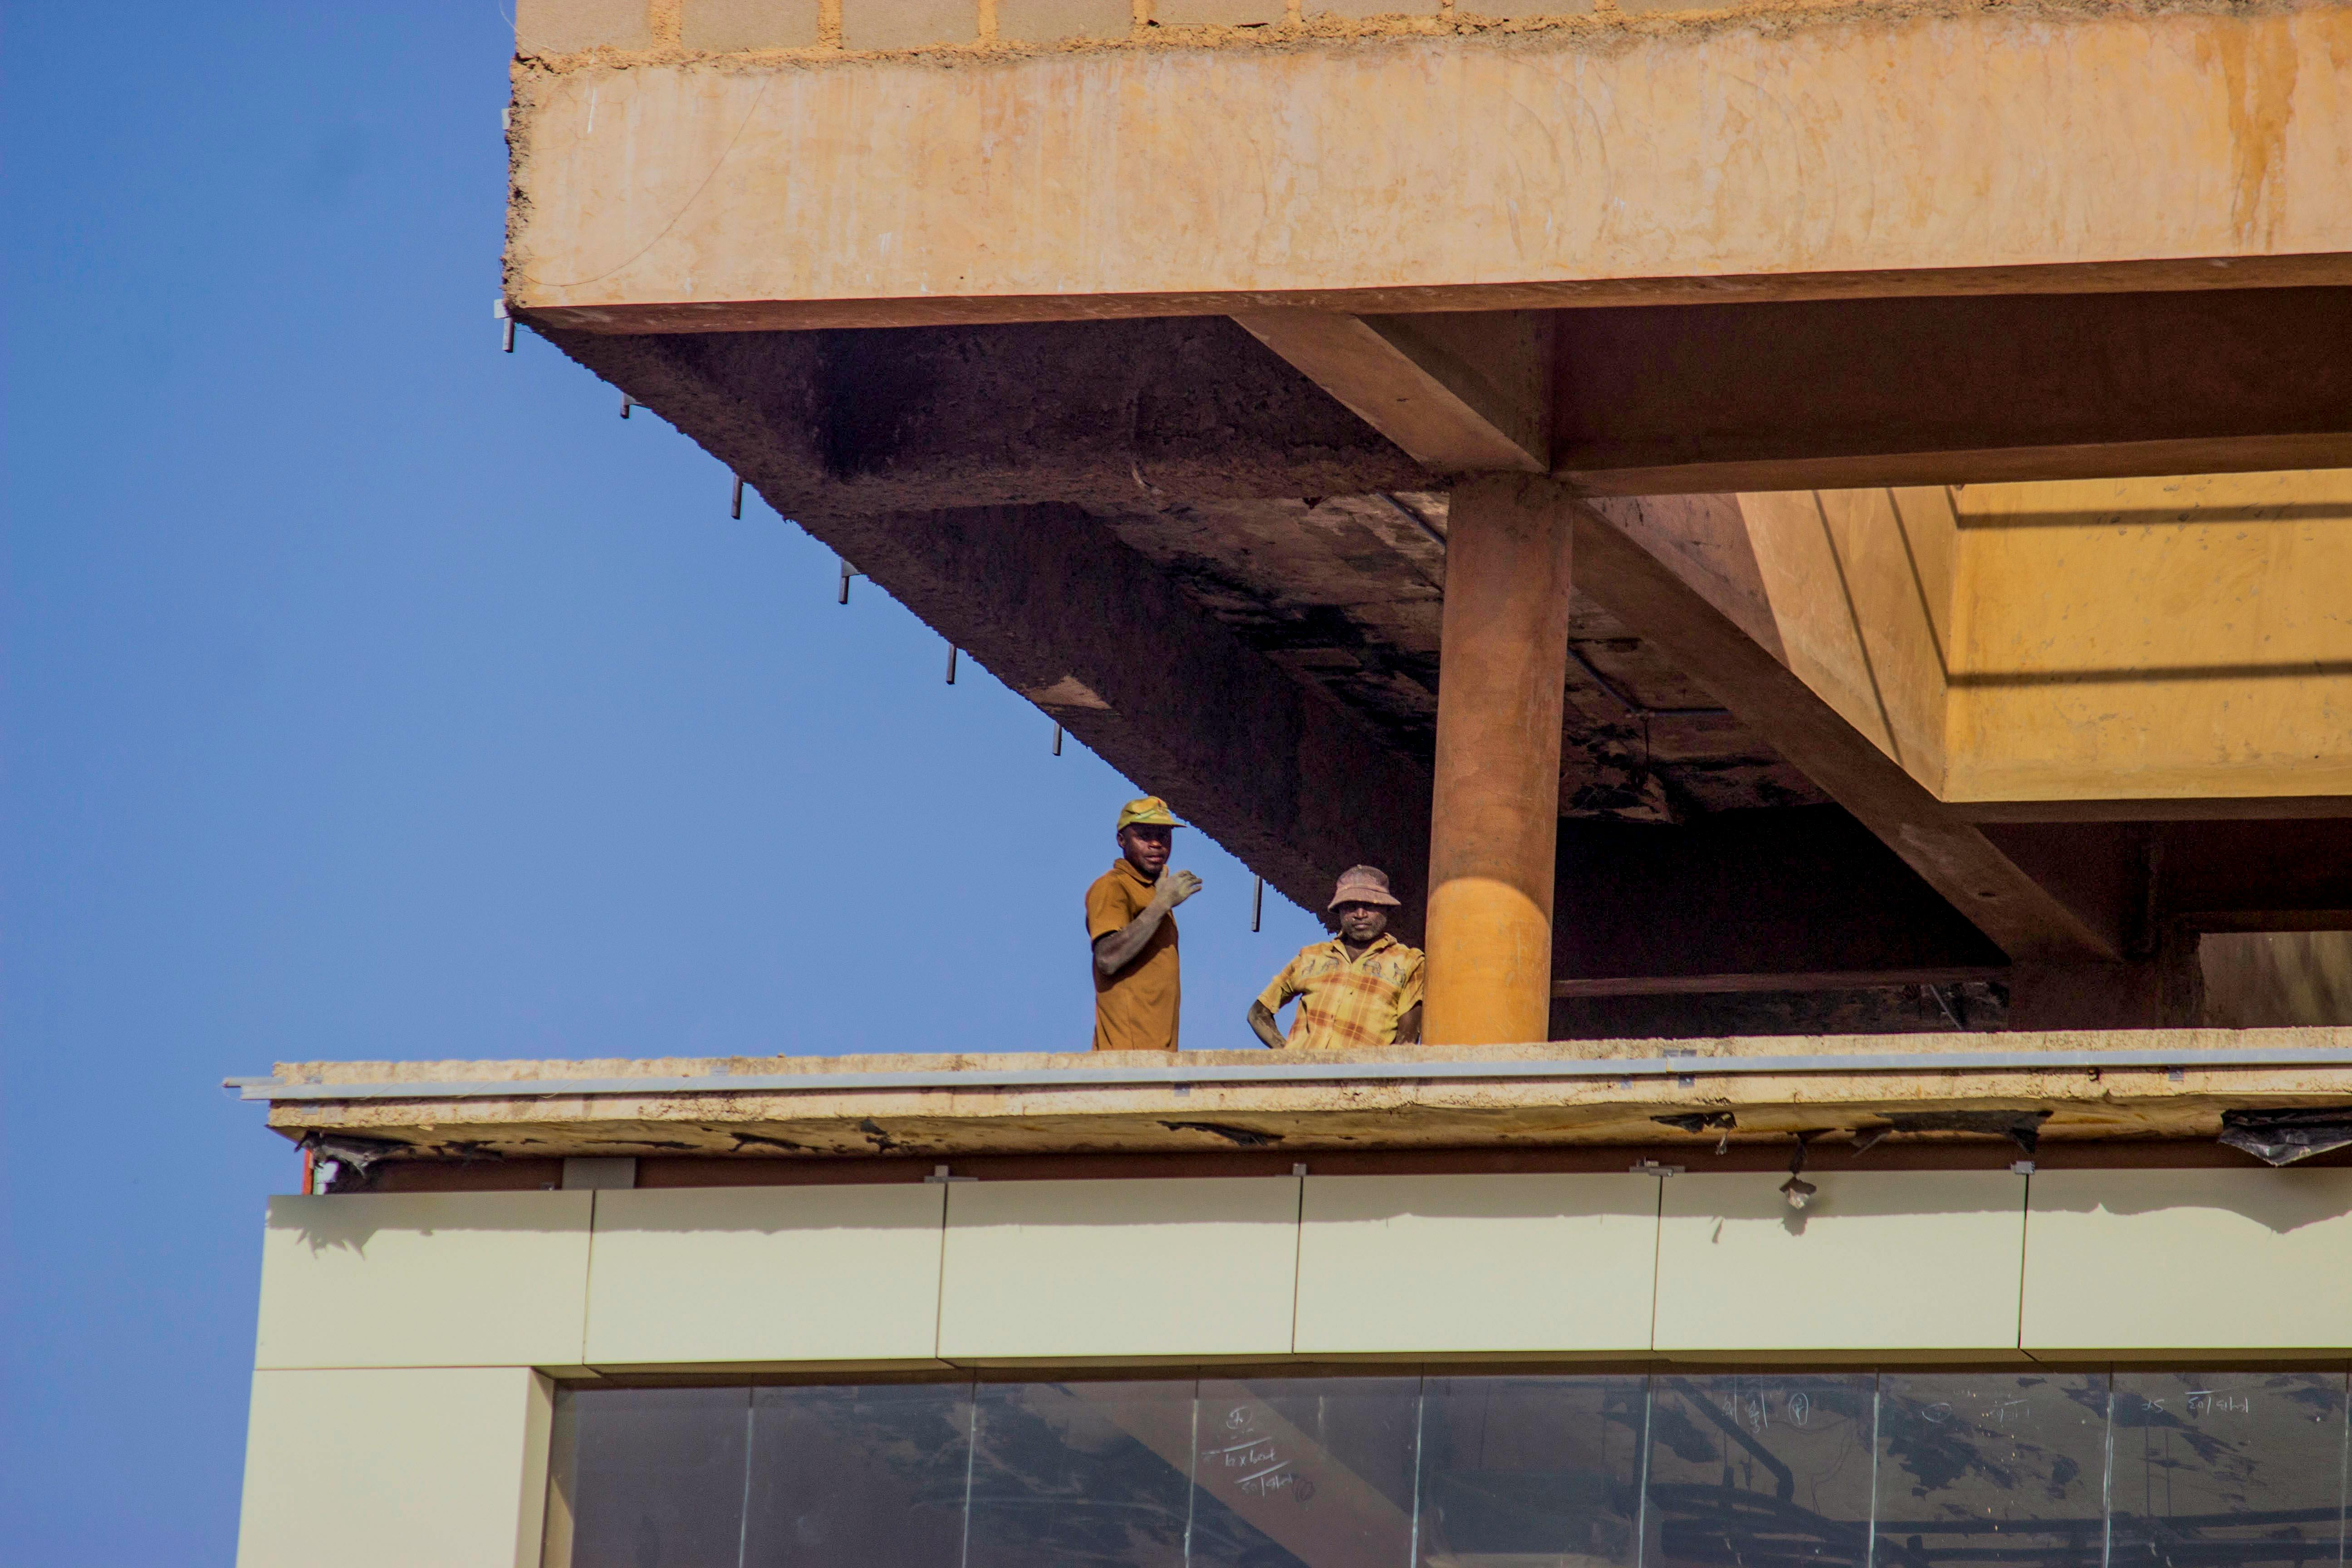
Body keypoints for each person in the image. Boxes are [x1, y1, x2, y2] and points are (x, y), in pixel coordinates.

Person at [1248, 866, 1424, 1050]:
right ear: (1339, 910)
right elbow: (1258, 1013)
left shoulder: (1409, 962)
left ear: (1386, 909)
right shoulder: (1311, 957)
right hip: (1305, 1067)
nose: (1360, 914)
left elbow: (1407, 1044)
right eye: (1351, 906)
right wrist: (1287, 1057)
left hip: (1363, 1068)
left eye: (1370, 905)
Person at [1086, 797, 1203, 1051]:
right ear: (1122, 840)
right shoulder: (1112, 885)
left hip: (1158, 1056)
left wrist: (1160, 901)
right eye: (1145, 836)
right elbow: (1107, 958)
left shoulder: (1154, 892)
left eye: (1163, 835)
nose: (1156, 844)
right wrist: (1162, 903)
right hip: (1125, 1057)